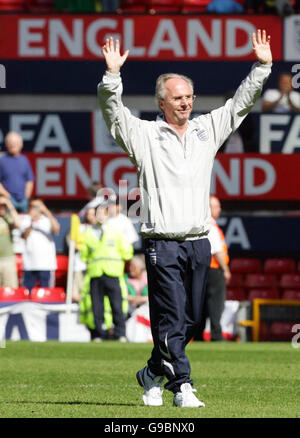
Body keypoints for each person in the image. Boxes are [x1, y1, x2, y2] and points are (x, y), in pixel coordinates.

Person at [98, 30, 272, 408]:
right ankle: (182, 386)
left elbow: (240, 104)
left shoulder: (206, 129)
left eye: (189, 97)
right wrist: (112, 77)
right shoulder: (144, 134)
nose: (186, 103)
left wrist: (262, 67)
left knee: (192, 320)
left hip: (199, 241)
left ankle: (151, 374)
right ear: (162, 102)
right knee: (173, 317)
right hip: (162, 242)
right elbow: (112, 113)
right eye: (178, 98)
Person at [79, 200, 133, 342]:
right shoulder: (88, 233)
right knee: (97, 306)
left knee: (117, 305)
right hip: (95, 273)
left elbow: (127, 252)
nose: (100, 217)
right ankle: (98, 333)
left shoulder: (115, 232)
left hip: (112, 273)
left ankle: (120, 333)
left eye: (103, 214)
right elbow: (84, 255)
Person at [197, 196, 231, 342]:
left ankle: (198, 334)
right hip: (214, 268)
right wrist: (226, 269)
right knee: (215, 302)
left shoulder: (203, 224)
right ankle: (216, 334)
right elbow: (216, 251)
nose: (219, 209)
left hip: (203, 269)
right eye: (216, 206)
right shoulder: (210, 226)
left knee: (202, 302)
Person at [20, 198, 60, 291]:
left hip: (46, 264)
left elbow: (56, 229)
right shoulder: (26, 220)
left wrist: (46, 211)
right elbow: (24, 235)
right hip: (29, 264)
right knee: (28, 294)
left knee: (46, 293)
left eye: (37, 207)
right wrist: (31, 222)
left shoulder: (47, 220)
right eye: (33, 206)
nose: (35, 209)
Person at [0, 131, 34, 213]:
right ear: (6, 144)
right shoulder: (2, 160)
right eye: (10, 142)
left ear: (21, 144)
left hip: (23, 200)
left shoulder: (24, 160)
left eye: (15, 142)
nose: (12, 145)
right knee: (10, 223)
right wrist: (6, 195)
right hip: (8, 200)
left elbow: (30, 180)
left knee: (24, 224)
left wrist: (26, 196)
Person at [0, 195, 21, 288]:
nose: (1, 207)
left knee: (10, 290)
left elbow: (18, 224)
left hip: (8, 259)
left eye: (3, 205)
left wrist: (9, 204)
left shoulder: (8, 218)